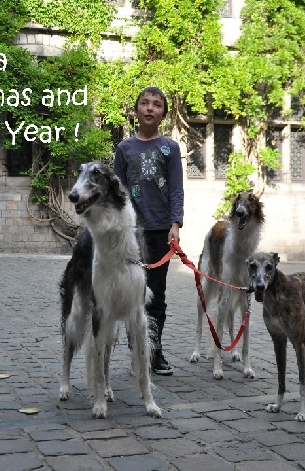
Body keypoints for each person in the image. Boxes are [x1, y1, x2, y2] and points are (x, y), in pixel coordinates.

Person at [114, 86, 184, 376]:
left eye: (156, 104)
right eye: (145, 103)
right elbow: (115, 192)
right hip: (131, 233)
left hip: (159, 232)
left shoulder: (170, 148)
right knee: (134, 292)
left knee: (156, 294)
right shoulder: (125, 149)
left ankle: (154, 351)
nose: (150, 108)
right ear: (136, 110)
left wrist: (175, 225)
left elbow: (177, 190)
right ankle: (137, 348)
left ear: (163, 113)